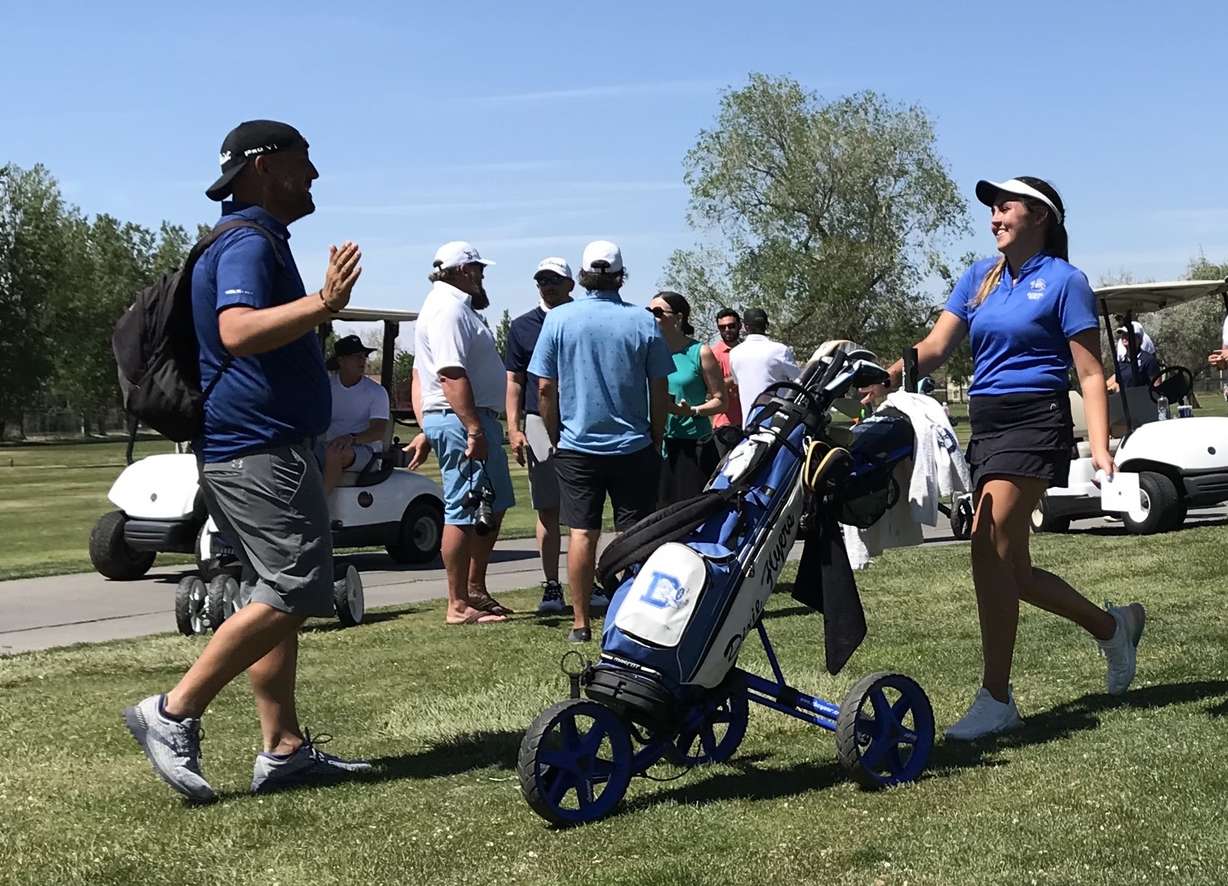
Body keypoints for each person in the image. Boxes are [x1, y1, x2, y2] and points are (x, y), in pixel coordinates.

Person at [123, 119, 370, 801]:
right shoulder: (248, 241)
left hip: (253, 448)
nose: (313, 174)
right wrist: (323, 304)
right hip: (257, 450)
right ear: (264, 166)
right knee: (299, 588)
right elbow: (235, 331)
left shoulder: (253, 238)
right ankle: (172, 712)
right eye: (304, 159)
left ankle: (282, 748)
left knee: (272, 590)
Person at [862, 176, 1145, 741]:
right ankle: (1112, 627)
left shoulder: (1065, 281)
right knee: (1012, 570)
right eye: (992, 208)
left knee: (986, 537)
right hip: (988, 424)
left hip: (1036, 420)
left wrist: (1102, 448)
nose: (994, 216)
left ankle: (996, 697)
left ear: (1040, 216)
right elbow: (935, 347)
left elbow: (1090, 372)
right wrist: (881, 374)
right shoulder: (979, 277)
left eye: (1005, 206)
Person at [529, 240, 673, 643]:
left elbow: (544, 387)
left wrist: (555, 435)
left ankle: (580, 623)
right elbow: (659, 387)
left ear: (582, 277)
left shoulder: (559, 319)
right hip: (633, 445)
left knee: (581, 533)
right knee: (635, 534)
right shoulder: (643, 321)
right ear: (621, 276)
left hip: (577, 447)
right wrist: (656, 433)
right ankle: (634, 619)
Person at [410, 241, 516, 625]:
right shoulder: (449, 309)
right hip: (462, 421)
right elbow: (449, 374)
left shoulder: (455, 306)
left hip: (466, 418)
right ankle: (457, 604)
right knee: (464, 508)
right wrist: (472, 427)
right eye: (478, 269)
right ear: (462, 271)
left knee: (495, 501)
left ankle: (474, 589)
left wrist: (430, 426)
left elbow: (419, 376)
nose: (482, 276)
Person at [505, 257, 575, 614]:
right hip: (537, 420)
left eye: (554, 280)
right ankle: (551, 585)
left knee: (584, 507)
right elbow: (514, 381)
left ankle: (587, 581)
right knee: (548, 507)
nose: (547, 286)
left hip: (581, 417)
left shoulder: (582, 318)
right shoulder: (522, 326)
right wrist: (514, 427)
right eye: (542, 281)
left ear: (570, 285)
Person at [648, 291, 726, 504]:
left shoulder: (700, 352)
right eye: (648, 312)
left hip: (692, 446)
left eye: (658, 312)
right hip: (654, 443)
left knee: (691, 511)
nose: (652, 317)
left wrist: (692, 411)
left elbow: (721, 400)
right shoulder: (648, 352)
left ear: (679, 317)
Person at [321, 334, 390, 493]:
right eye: (356, 356)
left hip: (365, 451)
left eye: (364, 356)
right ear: (341, 361)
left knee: (334, 454)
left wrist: (351, 439)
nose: (362, 361)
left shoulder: (376, 392)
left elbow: (378, 431)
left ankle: (319, 505)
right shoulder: (326, 388)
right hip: (329, 445)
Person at [729, 307, 800, 427]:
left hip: (749, 424)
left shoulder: (734, 353)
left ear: (745, 327)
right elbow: (799, 379)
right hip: (777, 424)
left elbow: (737, 381)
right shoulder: (780, 350)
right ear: (766, 325)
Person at [710, 307, 744, 456]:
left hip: (750, 420)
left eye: (731, 326)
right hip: (726, 424)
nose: (727, 330)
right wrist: (736, 378)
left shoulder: (747, 350)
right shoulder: (713, 354)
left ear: (739, 326)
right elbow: (711, 389)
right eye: (722, 327)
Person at [1107, 322, 1160, 392]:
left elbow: (1157, 386)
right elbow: (1119, 387)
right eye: (1123, 334)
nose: (1124, 336)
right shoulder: (1121, 363)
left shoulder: (1148, 360)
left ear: (1138, 339)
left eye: (1128, 334)